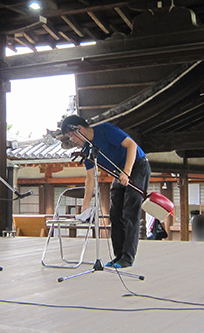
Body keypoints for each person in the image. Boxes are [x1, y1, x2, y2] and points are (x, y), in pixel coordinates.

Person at [60, 114, 149, 268]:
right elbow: (90, 178)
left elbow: (131, 145)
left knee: (130, 212)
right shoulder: (88, 149)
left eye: (71, 135)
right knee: (115, 214)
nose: (72, 140)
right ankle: (118, 255)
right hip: (119, 172)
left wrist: (127, 172)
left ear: (78, 129)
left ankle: (128, 258)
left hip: (137, 165)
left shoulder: (105, 130)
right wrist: (85, 205)